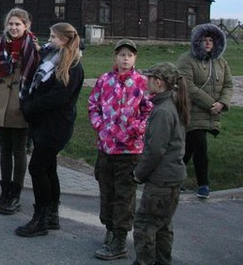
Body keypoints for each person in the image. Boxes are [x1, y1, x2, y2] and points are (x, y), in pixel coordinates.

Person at [17, 22, 84, 237]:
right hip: (43, 123)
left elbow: (58, 97)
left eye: (54, 37)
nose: (50, 40)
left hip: (56, 125)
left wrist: (30, 106)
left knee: (37, 168)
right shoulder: (51, 58)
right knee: (48, 168)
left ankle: (41, 218)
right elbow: (39, 84)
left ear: (65, 39)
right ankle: (52, 214)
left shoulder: (72, 65)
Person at [88, 39, 152, 260]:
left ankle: (120, 239)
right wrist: (100, 126)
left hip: (130, 151)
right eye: (121, 54)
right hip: (106, 147)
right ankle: (109, 229)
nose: (125, 58)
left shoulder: (142, 83)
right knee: (107, 191)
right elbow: (93, 105)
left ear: (135, 59)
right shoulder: (105, 80)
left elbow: (148, 111)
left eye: (130, 55)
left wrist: (136, 128)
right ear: (115, 57)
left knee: (124, 195)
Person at [132, 62, 190, 265]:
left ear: (158, 82)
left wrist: (139, 173)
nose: (145, 81)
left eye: (148, 78)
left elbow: (155, 149)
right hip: (173, 176)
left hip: (161, 180)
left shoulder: (162, 111)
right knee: (163, 225)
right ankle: (163, 261)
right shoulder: (173, 103)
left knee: (145, 226)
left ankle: (145, 261)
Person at [0, 8, 39, 215]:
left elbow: (37, 79)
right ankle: (4, 191)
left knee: (19, 151)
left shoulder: (33, 49)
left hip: (21, 107)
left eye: (18, 24)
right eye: (11, 24)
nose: (14, 28)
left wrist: (29, 103)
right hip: (0, 106)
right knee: (4, 151)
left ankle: (15, 194)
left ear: (26, 26)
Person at [177, 23, 233, 198]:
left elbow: (228, 84)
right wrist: (210, 103)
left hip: (212, 112)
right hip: (191, 111)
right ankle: (203, 185)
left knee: (188, 149)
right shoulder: (187, 60)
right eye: (204, 40)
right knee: (200, 145)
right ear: (197, 41)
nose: (208, 43)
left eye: (211, 40)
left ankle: (171, 178)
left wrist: (222, 103)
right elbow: (187, 85)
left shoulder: (220, 62)